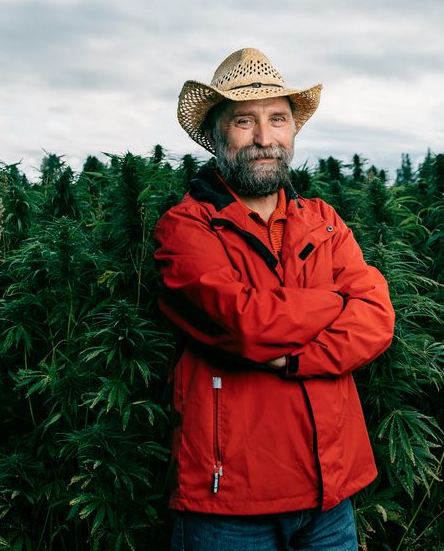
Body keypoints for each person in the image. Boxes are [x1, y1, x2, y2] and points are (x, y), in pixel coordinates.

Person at [154, 47, 395, 550]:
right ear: (217, 134)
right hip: (230, 506)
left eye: (278, 120)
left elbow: (376, 320)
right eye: (245, 120)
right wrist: (334, 301)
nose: (265, 139)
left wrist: (292, 360)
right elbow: (244, 322)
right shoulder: (186, 227)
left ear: (293, 131)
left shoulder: (324, 220)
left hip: (330, 498)